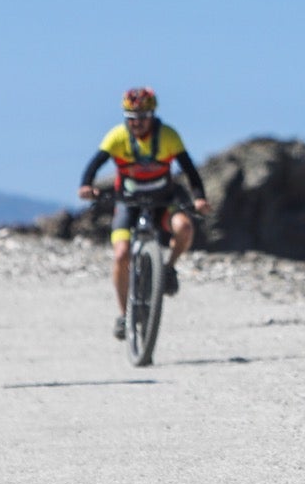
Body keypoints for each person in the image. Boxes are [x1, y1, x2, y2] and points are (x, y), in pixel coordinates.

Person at [76, 87, 211, 341]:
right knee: (121, 254)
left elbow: (191, 172)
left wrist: (200, 198)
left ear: (152, 116)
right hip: (128, 202)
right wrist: (86, 186)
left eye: (142, 117)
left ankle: (168, 268)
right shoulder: (117, 137)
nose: (136, 123)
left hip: (165, 199)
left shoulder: (169, 136)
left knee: (185, 227)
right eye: (131, 117)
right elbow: (93, 166)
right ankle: (124, 315)